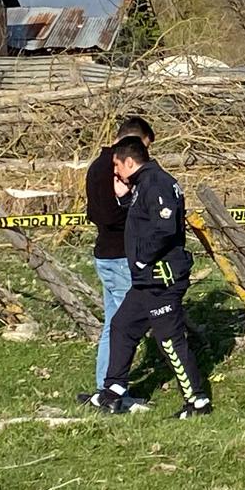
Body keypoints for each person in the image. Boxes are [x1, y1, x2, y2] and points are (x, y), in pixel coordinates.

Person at [87, 136, 213, 418]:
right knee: (123, 325)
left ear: (130, 162)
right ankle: (113, 391)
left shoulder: (157, 183)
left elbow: (164, 228)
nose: (115, 172)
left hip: (161, 278)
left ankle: (197, 401)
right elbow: (142, 218)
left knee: (169, 341)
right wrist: (123, 199)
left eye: (117, 165)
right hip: (146, 280)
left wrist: (143, 259)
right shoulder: (143, 184)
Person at [78, 116, 153, 409]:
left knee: (113, 324)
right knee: (127, 326)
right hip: (120, 255)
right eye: (143, 147)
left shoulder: (97, 165)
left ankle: (105, 386)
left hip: (107, 254)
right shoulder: (113, 169)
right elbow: (109, 215)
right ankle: (114, 392)